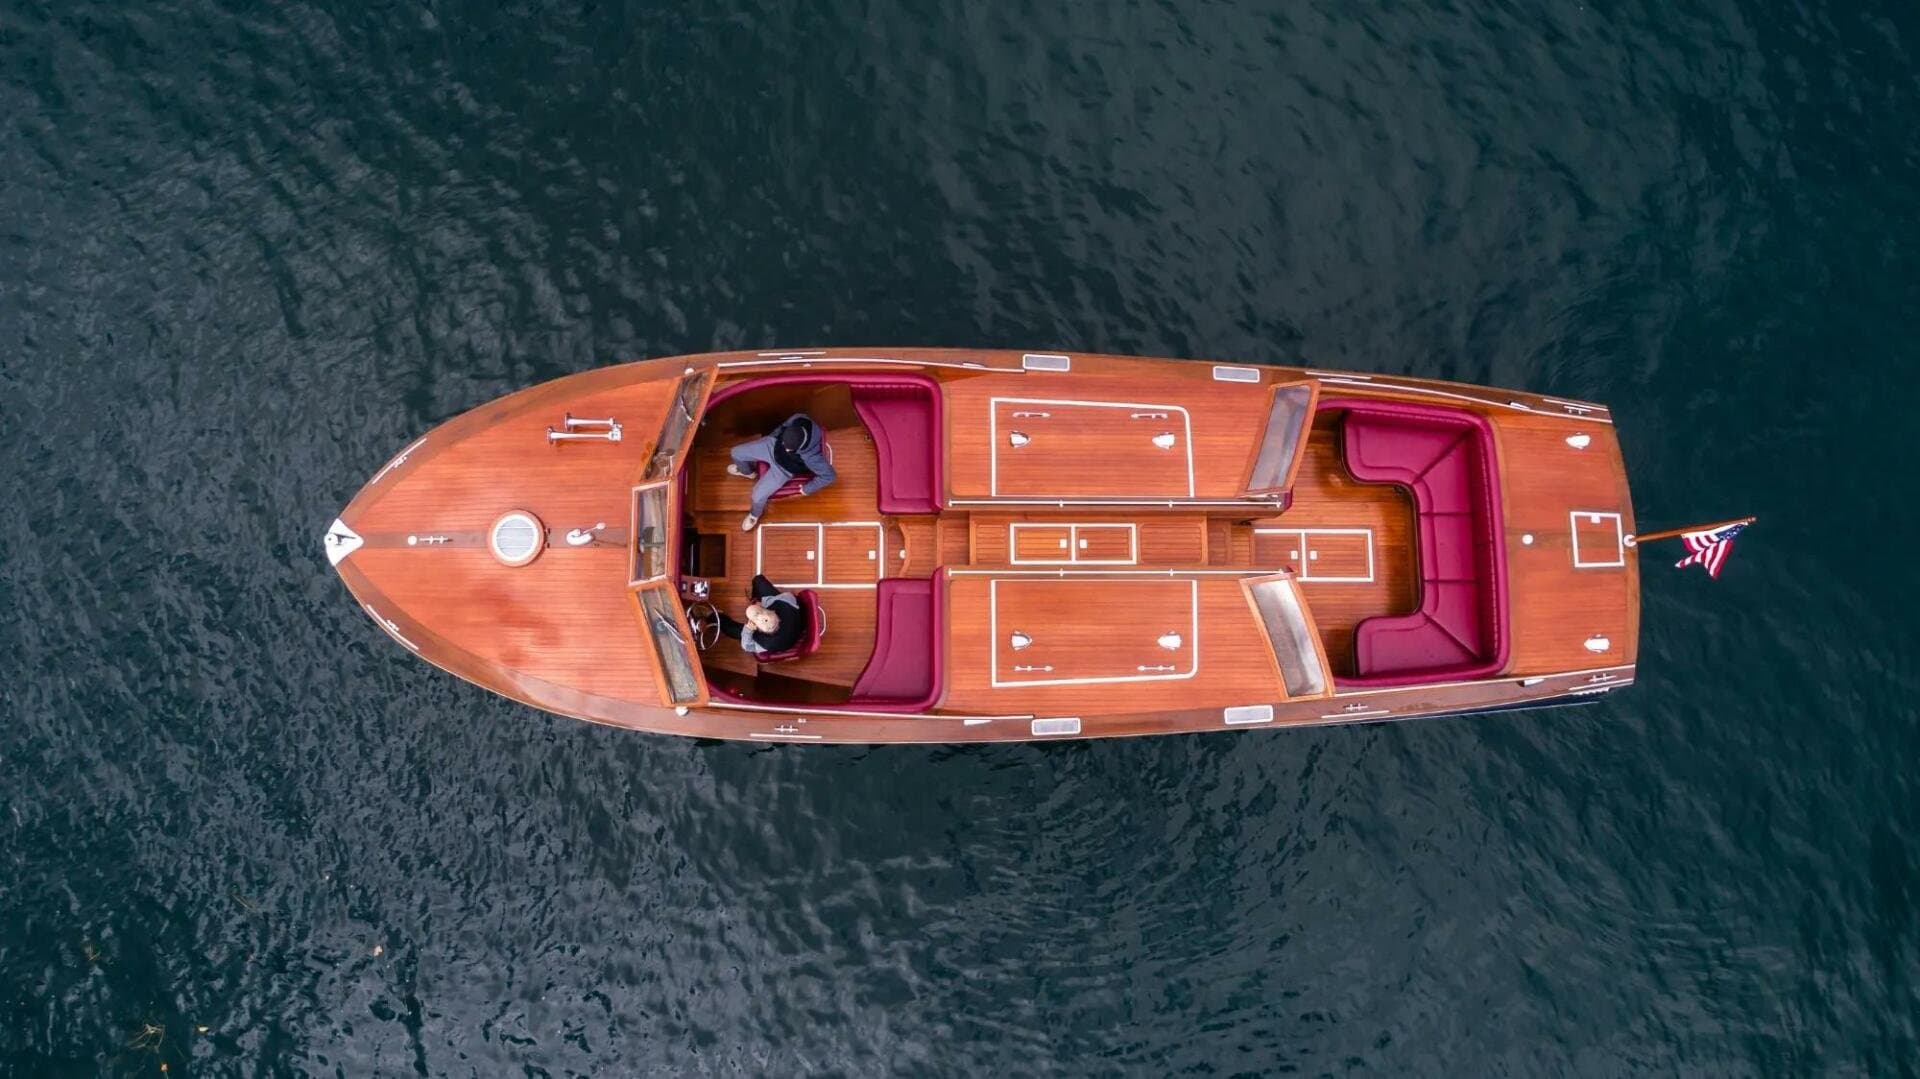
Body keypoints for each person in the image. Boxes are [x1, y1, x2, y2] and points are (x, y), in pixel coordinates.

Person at [725, 413, 836, 531]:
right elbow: (784, 426)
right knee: (735, 453)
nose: (785, 448)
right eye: (785, 444)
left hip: (783, 470)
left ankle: (754, 515)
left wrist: (807, 489)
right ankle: (748, 472)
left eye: (789, 449)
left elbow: (829, 476)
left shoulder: (812, 457)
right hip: (772, 446)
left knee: (757, 496)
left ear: (799, 448)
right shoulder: (799, 418)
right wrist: (773, 437)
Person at [716, 575, 807, 656]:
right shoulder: (785, 603)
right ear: (773, 610)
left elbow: (746, 646)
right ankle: (755, 596)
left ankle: (715, 617)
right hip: (796, 622)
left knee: (734, 630)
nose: (758, 615)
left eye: (753, 618)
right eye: (761, 611)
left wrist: (748, 630)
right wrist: (763, 602)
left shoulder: (766, 643)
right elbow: (789, 596)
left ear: (757, 629)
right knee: (758, 580)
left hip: (790, 640)